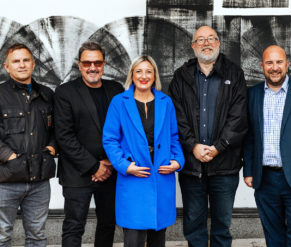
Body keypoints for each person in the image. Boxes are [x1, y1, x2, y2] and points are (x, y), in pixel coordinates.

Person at [168, 25, 248, 247]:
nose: (206, 43)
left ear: (219, 44)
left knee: (222, 226)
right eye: (200, 40)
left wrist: (219, 146)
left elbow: (239, 117)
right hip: (192, 166)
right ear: (193, 46)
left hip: (225, 165)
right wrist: (193, 146)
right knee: (194, 225)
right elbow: (177, 117)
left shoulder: (235, 73)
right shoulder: (181, 77)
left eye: (211, 38)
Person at [102, 55, 184, 247]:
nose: (144, 76)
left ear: (155, 75)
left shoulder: (166, 102)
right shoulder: (119, 102)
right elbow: (110, 139)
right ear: (132, 75)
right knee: (134, 239)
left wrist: (178, 161)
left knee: (158, 238)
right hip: (134, 177)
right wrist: (125, 166)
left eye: (148, 71)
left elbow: (174, 137)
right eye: (139, 71)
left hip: (161, 175)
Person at [244, 45, 291, 247]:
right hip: (265, 179)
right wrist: (249, 170)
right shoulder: (252, 95)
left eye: (279, 62)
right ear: (262, 66)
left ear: (287, 64)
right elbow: (249, 135)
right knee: (273, 237)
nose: (274, 67)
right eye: (269, 63)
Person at [54, 41, 123, 247]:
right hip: (77, 173)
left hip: (111, 173)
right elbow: (65, 137)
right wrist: (95, 166)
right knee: (74, 227)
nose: (93, 67)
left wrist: (110, 163)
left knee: (108, 224)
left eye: (97, 63)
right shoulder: (65, 92)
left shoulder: (116, 89)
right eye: (87, 63)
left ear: (104, 64)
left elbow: (124, 130)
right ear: (79, 65)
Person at [0, 43, 56, 246]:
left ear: (33, 64)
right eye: (16, 61)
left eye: (26, 60)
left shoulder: (47, 94)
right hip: (5, 179)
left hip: (39, 181)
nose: (22, 65)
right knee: (2, 235)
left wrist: (52, 148)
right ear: (7, 67)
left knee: (37, 236)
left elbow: (58, 129)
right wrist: (9, 157)